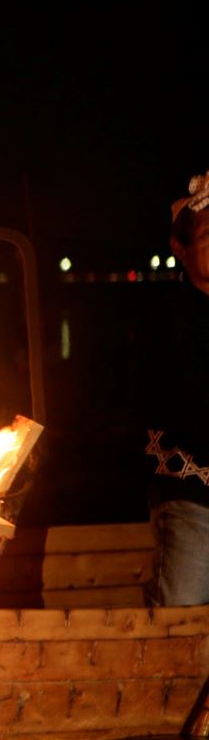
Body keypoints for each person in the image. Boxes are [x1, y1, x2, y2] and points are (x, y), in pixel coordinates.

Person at [138, 171, 209, 607]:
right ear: (179, 248)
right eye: (208, 236)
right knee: (180, 612)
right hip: (192, 496)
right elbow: (185, 407)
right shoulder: (168, 320)